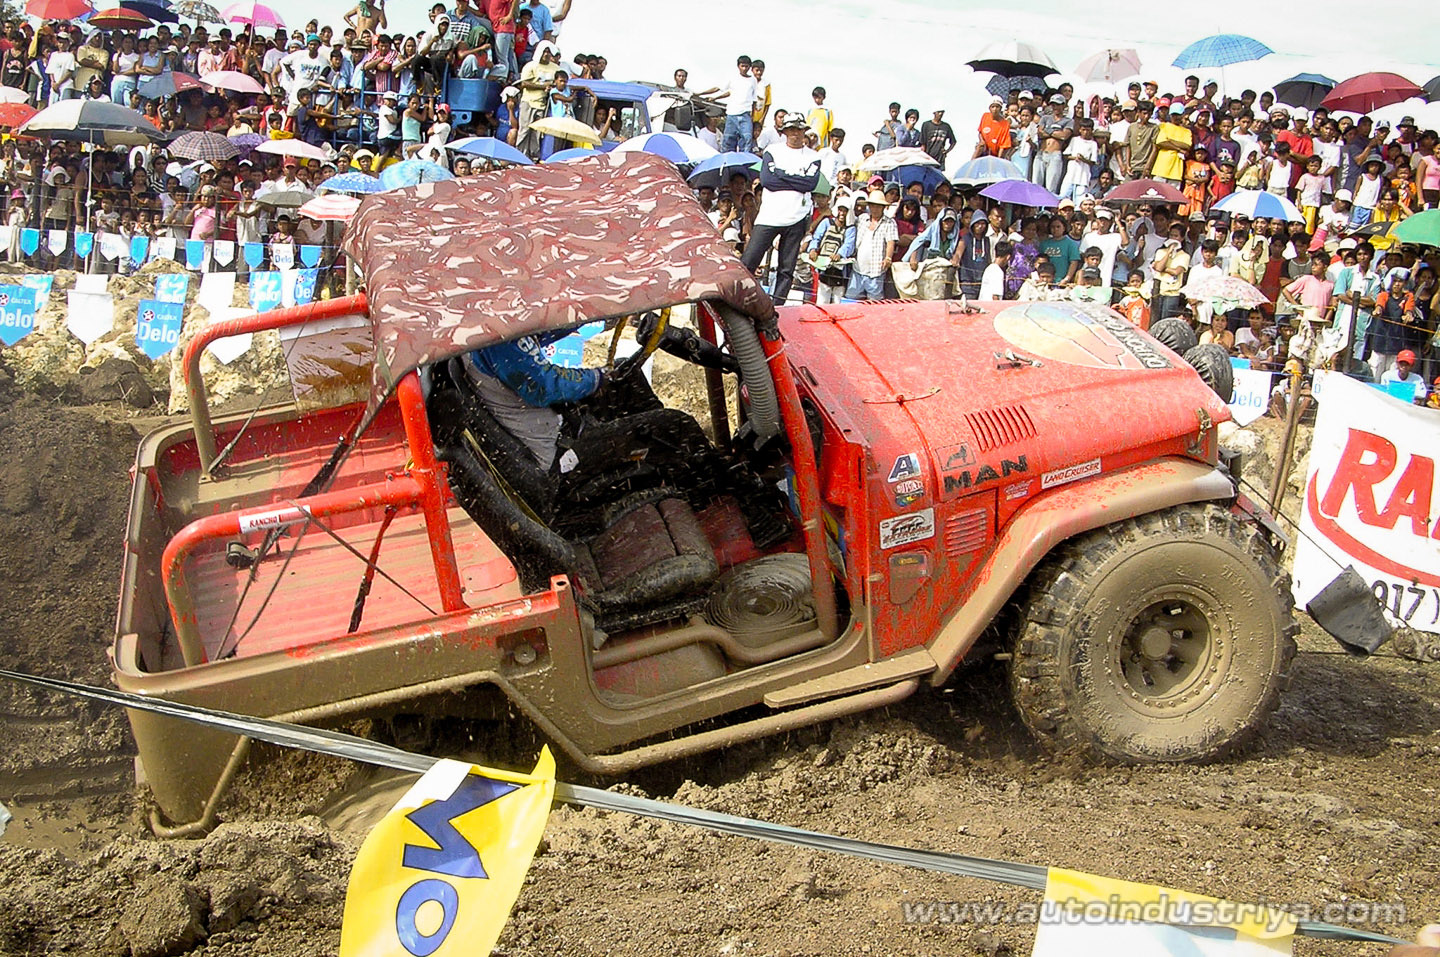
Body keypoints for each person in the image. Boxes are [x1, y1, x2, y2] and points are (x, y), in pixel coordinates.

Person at [741, 114, 820, 305]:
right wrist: (795, 179)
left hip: (797, 217)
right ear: (784, 132)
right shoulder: (773, 150)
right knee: (748, 262)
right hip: (770, 216)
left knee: (786, 269)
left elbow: (809, 184)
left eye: (798, 129)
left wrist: (782, 175)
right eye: (791, 129)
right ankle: (742, 301)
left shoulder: (813, 156)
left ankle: (778, 307)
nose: (795, 134)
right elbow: (768, 181)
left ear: (803, 131)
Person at [841, 189, 897, 301]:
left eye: (878, 206)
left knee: (874, 304)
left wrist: (888, 257)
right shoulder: (862, 219)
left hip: (876, 271)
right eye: (872, 206)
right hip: (858, 268)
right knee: (850, 300)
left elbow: (891, 242)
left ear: (883, 207)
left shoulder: (889, 223)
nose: (875, 209)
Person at [699, 55, 757, 155]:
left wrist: (753, 116)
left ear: (750, 67)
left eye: (746, 66)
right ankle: (726, 163)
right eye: (742, 66)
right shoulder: (733, 78)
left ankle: (745, 161)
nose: (744, 68)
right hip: (732, 114)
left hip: (745, 115)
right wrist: (702, 94)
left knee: (747, 139)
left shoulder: (753, 80)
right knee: (728, 141)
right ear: (738, 66)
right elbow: (719, 88)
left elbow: (754, 100)